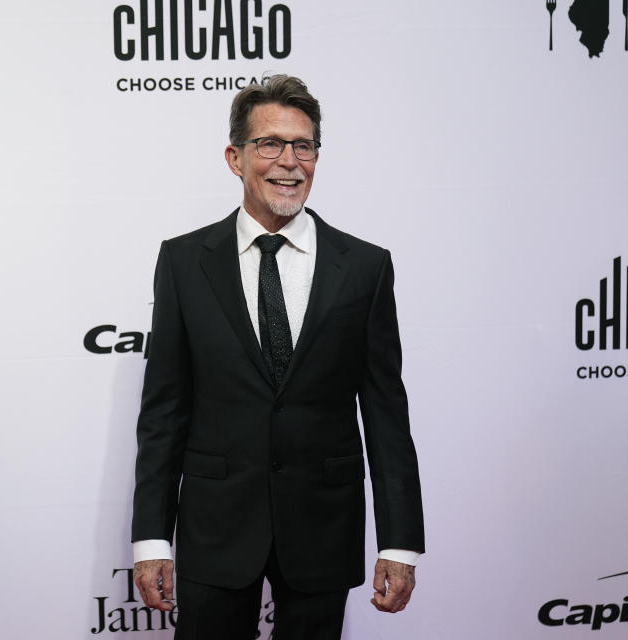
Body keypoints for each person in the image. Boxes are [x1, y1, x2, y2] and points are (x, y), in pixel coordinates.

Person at [131, 74, 424, 640]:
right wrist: (150, 541)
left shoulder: (365, 267)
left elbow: (388, 416)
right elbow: (163, 413)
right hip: (215, 527)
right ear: (235, 158)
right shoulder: (184, 262)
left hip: (322, 526)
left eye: (304, 145)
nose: (289, 161)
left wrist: (400, 542)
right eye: (270, 144)